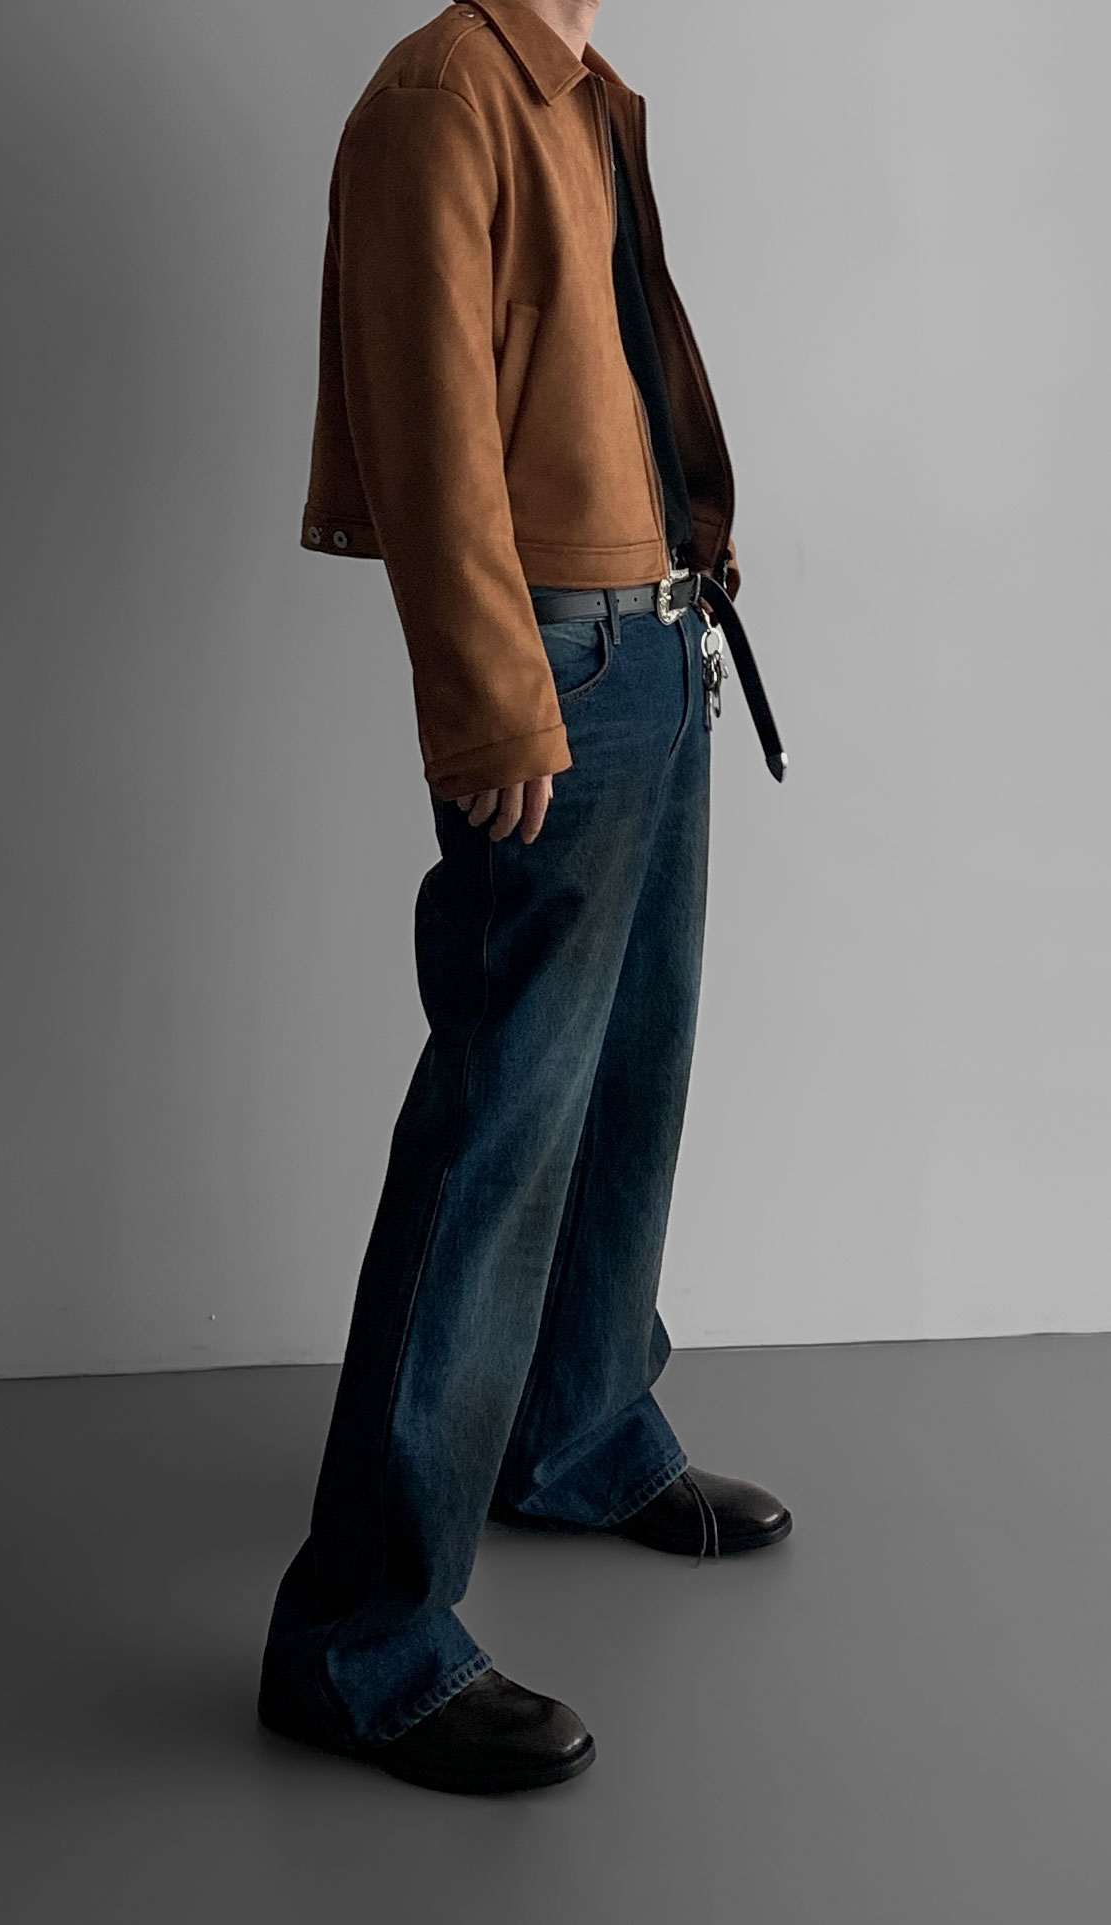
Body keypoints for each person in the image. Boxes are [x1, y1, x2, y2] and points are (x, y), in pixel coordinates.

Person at [258, 0, 792, 1797]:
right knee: (500, 1115)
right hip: (558, 664)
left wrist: (694, 555)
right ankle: (360, 1637)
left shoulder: (579, 94)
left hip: (656, 632)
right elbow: (427, 431)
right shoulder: (440, 96)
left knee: (632, 1072)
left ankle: (574, 1426)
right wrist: (490, 697)